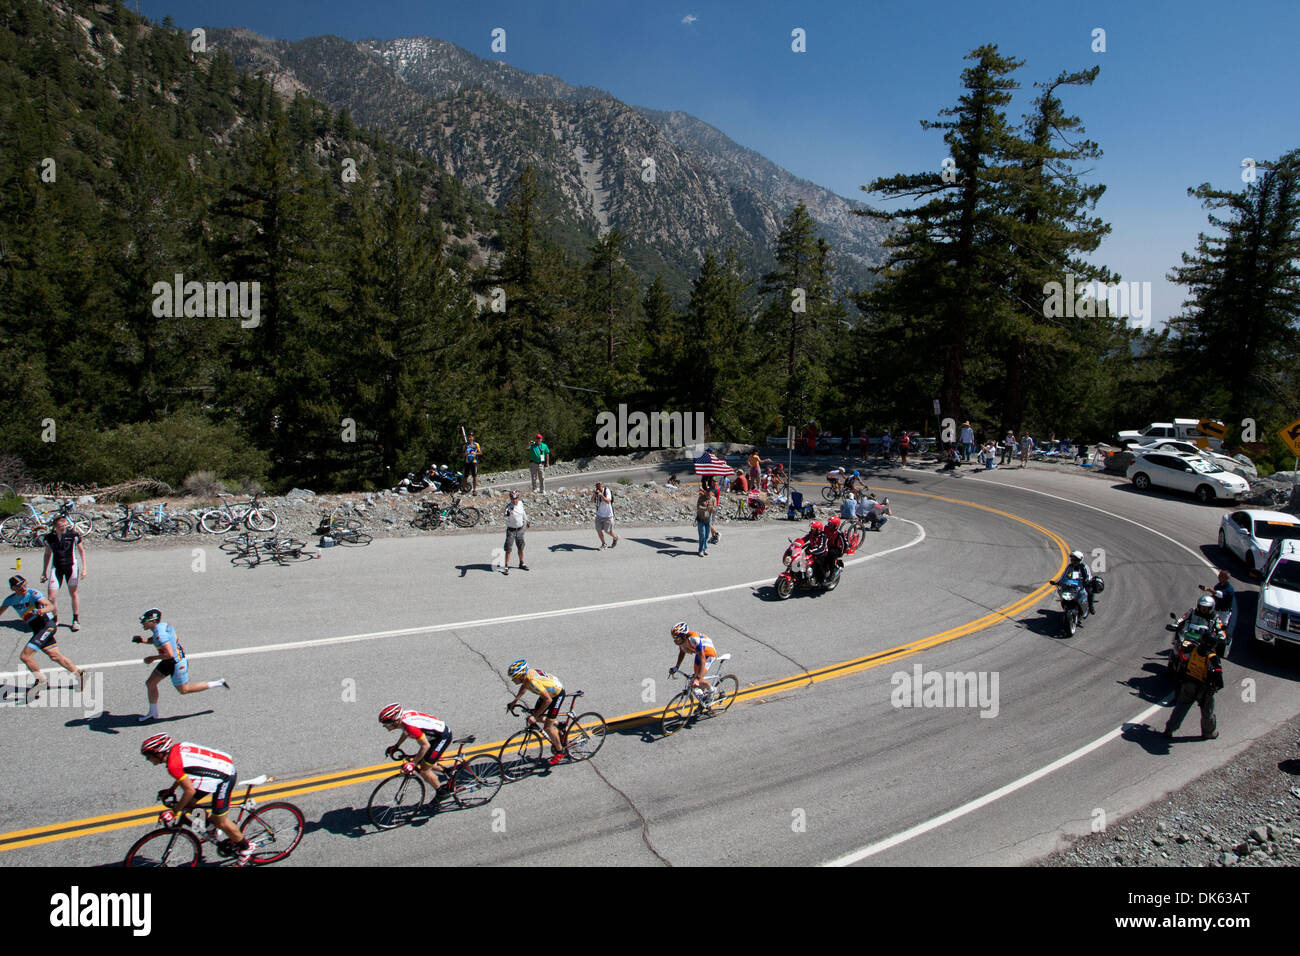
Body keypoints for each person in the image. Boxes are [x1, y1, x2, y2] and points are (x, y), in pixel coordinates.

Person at [140, 734, 253, 863]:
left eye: (148, 755)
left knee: (220, 820)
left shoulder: (172, 765)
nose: (147, 759)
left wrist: (174, 812)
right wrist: (171, 790)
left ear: (159, 753)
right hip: (215, 769)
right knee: (189, 804)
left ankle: (246, 848)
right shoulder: (177, 748)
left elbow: (189, 790)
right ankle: (211, 828)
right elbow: (183, 774)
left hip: (225, 776)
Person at [133, 608, 230, 722]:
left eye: (144, 621)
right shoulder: (162, 626)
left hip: (176, 663)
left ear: (153, 621)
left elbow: (169, 654)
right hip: (169, 661)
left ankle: (218, 683)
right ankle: (153, 713)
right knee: (150, 683)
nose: (142, 623)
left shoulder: (161, 634)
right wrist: (143, 640)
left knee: (184, 690)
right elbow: (156, 639)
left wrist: (151, 658)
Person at [1, 575, 86, 699]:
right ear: (13, 588)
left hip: (47, 626)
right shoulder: (10, 600)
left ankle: (41, 681)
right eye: (20, 586)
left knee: (25, 656)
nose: (24, 588)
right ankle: (81, 675)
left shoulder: (33, 593)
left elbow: (51, 606)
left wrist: (42, 610)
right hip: (37, 630)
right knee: (55, 656)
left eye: (25, 584)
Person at [1162, 601, 1225, 741]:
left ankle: (1169, 729)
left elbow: (1220, 630)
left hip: (1189, 684)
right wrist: (1216, 686)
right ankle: (1209, 732)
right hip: (1205, 688)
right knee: (1207, 711)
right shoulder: (1212, 657)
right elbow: (1218, 676)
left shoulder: (1193, 649)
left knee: (1180, 708)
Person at [378, 702, 455, 794]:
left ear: (396, 721)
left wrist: (413, 763)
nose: (385, 726)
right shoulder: (403, 720)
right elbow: (406, 731)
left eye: (387, 724)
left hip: (442, 737)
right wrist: (397, 745)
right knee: (424, 760)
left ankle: (441, 793)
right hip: (435, 735)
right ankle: (447, 771)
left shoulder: (410, 726)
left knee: (424, 770)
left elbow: (425, 745)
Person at [506, 659, 567, 765]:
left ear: (521, 676)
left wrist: (536, 715)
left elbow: (548, 700)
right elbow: (524, 686)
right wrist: (514, 701)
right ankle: (559, 724)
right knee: (534, 715)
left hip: (556, 695)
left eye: (514, 678)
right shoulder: (527, 677)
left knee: (547, 727)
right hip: (547, 692)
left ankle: (560, 752)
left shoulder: (533, 682)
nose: (512, 680)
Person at [41, 514, 86, 630]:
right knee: (51, 597)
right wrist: (44, 571)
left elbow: (81, 550)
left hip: (71, 567)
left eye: (65, 525)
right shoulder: (49, 538)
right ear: (55, 526)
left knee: (73, 593)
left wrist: (84, 568)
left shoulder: (73, 535)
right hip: (56, 568)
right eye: (60, 526)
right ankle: (55, 619)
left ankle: (75, 619)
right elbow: (47, 554)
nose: (63, 527)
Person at [669, 622, 720, 705]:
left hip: (708, 654)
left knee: (698, 680)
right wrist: (676, 667)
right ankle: (704, 701)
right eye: (674, 639)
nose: (676, 641)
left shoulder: (694, 639)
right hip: (699, 654)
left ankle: (712, 690)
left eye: (677, 638)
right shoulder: (682, 640)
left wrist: (698, 677)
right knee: (694, 680)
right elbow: (682, 652)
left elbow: (703, 659)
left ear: (684, 636)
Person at [1054, 550, 1096, 616]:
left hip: (1082, 585)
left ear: (1080, 560)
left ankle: (1091, 606)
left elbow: (1088, 575)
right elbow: (1064, 575)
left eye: (1075, 560)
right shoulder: (1069, 567)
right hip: (1072, 585)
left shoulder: (1084, 567)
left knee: (1090, 591)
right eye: (1072, 559)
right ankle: (1066, 605)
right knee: (1061, 591)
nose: (1073, 561)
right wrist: (1059, 582)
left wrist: (1087, 582)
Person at [1201, 571, 1236, 638]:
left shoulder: (1229, 589)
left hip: (1224, 612)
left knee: (1221, 627)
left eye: (1221, 576)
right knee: (1210, 624)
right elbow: (1215, 596)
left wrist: (1209, 589)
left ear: (1226, 578)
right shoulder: (1218, 585)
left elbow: (1220, 594)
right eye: (1219, 575)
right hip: (1216, 609)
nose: (1218, 577)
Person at [503, 490, 530, 574]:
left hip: (520, 529)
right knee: (508, 549)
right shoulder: (509, 506)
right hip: (511, 530)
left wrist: (527, 520)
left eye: (516, 498)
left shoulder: (521, 504)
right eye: (512, 499)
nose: (514, 500)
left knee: (521, 547)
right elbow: (506, 514)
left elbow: (523, 513)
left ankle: (521, 563)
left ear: (518, 498)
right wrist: (508, 512)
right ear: (510, 498)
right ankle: (506, 566)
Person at [593, 482, 618, 549]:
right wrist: (594, 495)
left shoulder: (607, 491)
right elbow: (592, 501)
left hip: (608, 515)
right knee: (598, 529)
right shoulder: (597, 492)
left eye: (599, 485)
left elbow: (608, 501)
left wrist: (602, 496)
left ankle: (615, 537)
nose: (598, 487)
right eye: (596, 486)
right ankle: (604, 544)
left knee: (607, 531)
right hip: (599, 514)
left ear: (602, 485)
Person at [695, 483, 715, 556]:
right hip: (701, 519)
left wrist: (712, 508)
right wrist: (706, 508)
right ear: (705, 491)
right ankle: (700, 550)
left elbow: (715, 508)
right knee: (702, 535)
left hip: (708, 520)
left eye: (710, 491)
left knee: (706, 536)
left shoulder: (713, 499)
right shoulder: (701, 498)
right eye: (707, 491)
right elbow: (698, 507)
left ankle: (704, 549)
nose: (708, 492)